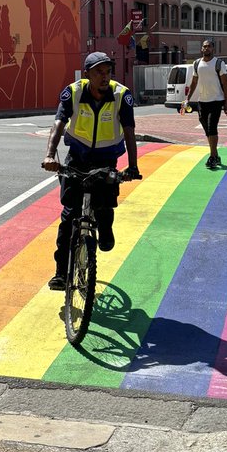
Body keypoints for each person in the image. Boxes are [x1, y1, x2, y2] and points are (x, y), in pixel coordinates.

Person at [41, 52, 142, 291]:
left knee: (105, 205)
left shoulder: (121, 95)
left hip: (107, 158)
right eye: (99, 72)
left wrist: (133, 166)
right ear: (87, 74)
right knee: (69, 216)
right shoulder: (73, 93)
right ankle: (60, 273)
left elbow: (129, 130)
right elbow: (58, 124)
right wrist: (49, 155)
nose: (104, 77)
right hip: (77, 157)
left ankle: (105, 228)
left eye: (107, 71)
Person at [184, 38, 227, 169]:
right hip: (202, 101)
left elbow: (225, 84)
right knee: (207, 130)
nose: (206, 48)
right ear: (201, 49)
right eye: (204, 46)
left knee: (211, 128)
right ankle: (215, 155)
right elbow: (194, 82)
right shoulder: (197, 63)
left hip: (216, 100)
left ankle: (212, 156)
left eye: (209, 46)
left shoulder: (219, 64)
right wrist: (187, 98)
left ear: (213, 49)